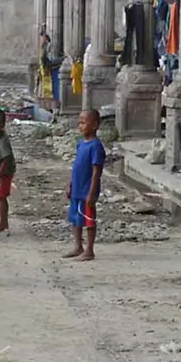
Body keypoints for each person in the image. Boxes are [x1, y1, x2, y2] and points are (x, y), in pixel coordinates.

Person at [64, 109, 106, 261]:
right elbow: (76, 166)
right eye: (79, 123)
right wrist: (70, 184)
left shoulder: (96, 146)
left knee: (89, 220)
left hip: (87, 190)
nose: (80, 126)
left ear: (94, 125)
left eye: (83, 123)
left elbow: (96, 172)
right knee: (76, 219)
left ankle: (90, 249)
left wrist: (92, 192)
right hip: (77, 189)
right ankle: (78, 246)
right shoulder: (81, 144)